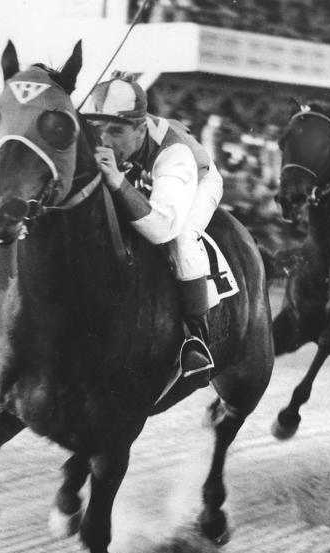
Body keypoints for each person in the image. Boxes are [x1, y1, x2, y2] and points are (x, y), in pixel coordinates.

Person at [82, 73, 224, 382]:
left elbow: (162, 228)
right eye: (97, 129)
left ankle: (195, 338)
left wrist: (118, 181)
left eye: (116, 131)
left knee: (182, 240)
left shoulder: (175, 154)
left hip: (198, 181)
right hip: (145, 177)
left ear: (141, 128)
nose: (104, 141)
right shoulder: (112, 141)